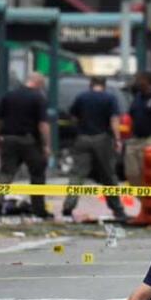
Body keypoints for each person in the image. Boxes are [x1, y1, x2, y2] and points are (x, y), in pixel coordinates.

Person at [62, 77, 127, 221]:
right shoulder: (110, 98)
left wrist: (80, 128)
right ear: (104, 85)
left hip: (83, 138)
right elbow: (114, 120)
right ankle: (117, 210)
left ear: (91, 85)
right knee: (108, 175)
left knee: (77, 175)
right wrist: (117, 139)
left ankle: (68, 207)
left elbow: (73, 117)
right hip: (102, 139)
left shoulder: (82, 97)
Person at [0, 73, 51, 219]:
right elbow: (43, 125)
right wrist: (46, 145)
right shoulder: (38, 98)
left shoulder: (9, 95)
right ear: (38, 83)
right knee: (37, 175)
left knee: (5, 173)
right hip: (29, 141)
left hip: (9, 140)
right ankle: (39, 209)